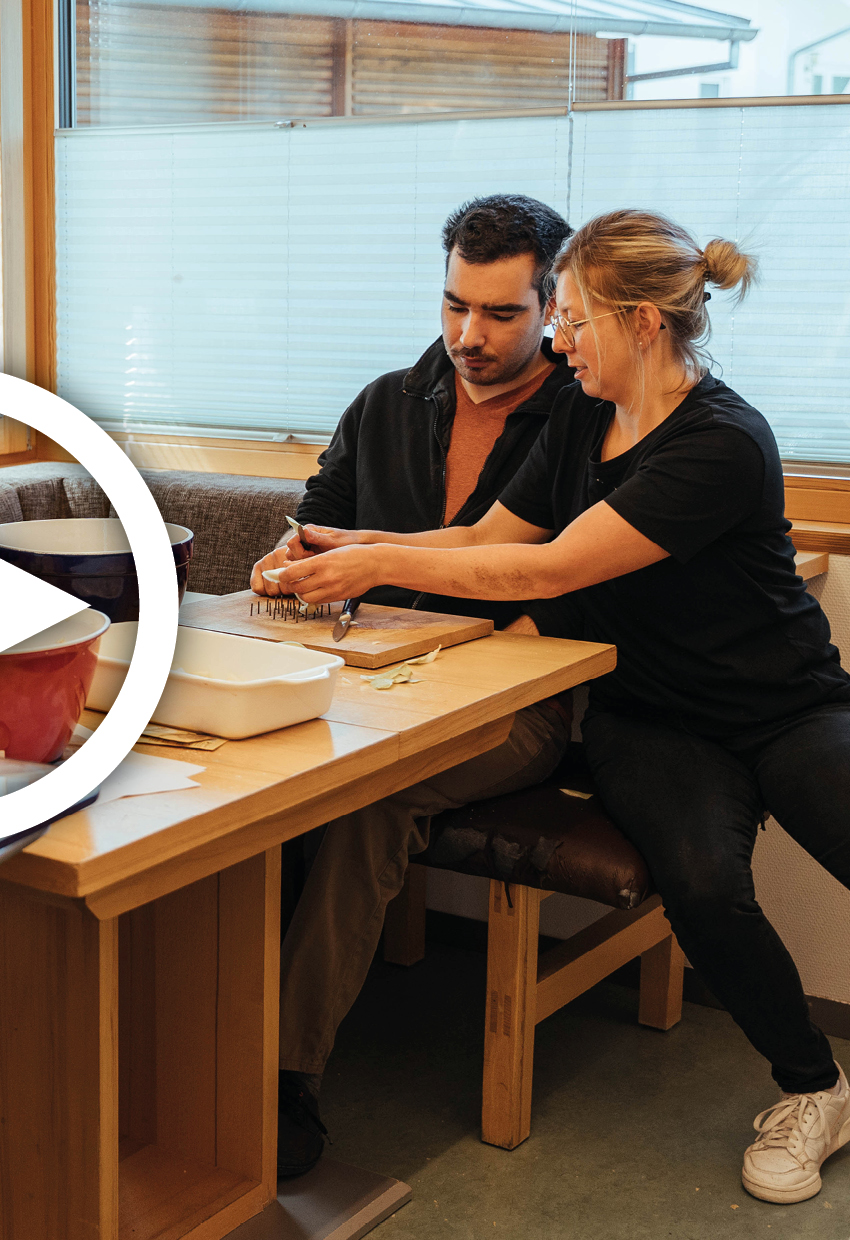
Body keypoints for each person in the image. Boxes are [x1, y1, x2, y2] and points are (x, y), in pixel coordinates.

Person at [277, 209, 850, 1205]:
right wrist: (345, 546)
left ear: (640, 323)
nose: (556, 338)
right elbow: (483, 539)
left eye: (571, 318)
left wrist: (372, 566)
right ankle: (815, 1087)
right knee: (704, 886)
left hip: (782, 704)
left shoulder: (720, 442)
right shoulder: (581, 417)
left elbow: (546, 570)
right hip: (649, 717)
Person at [249, 194, 580, 1179]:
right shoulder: (388, 400)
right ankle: (189, 1027)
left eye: (501, 314)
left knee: (367, 798)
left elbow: (573, 579)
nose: (469, 336)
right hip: (370, 677)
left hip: (518, 706)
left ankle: (279, 1074)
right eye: (454, 306)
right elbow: (318, 519)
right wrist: (288, 559)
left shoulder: (585, 414)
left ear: (552, 306)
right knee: (245, 779)